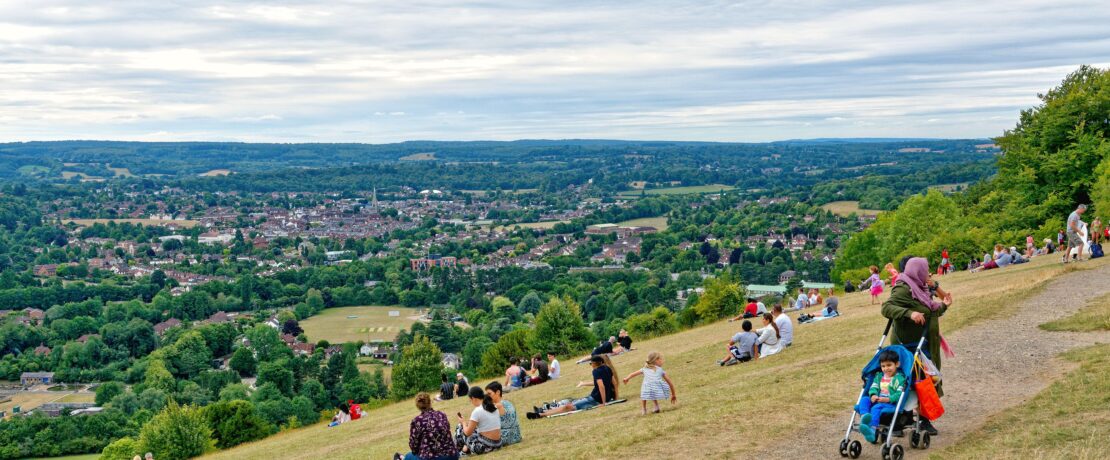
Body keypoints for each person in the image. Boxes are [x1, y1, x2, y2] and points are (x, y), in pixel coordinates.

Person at [881, 257, 952, 436]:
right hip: (908, 346)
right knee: (909, 382)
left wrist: (944, 306)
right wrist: (909, 313)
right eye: (925, 269)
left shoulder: (921, 287)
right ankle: (901, 420)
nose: (927, 273)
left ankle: (922, 419)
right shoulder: (904, 288)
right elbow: (887, 308)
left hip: (925, 344)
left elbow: (930, 311)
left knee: (924, 382)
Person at [527, 355, 616, 419]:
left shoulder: (596, 371)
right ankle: (543, 412)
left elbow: (601, 386)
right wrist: (614, 397)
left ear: (595, 363)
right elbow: (614, 383)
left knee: (568, 407)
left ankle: (541, 414)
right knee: (570, 403)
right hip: (598, 398)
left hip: (595, 399)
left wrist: (604, 403)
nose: (591, 365)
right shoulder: (608, 368)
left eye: (591, 363)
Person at [856, 350, 907, 443]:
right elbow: (873, 387)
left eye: (889, 365)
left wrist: (888, 399)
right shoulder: (879, 376)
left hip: (889, 403)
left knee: (876, 407)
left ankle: (872, 429)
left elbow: (899, 394)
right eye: (883, 366)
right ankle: (864, 418)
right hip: (877, 400)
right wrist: (873, 395)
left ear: (897, 364)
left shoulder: (899, 379)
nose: (886, 368)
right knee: (864, 399)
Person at [395, 392, 457, 460]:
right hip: (452, 456)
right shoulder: (442, 415)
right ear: (430, 402)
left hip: (432, 457)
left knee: (408, 456)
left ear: (418, 406)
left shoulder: (417, 421)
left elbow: (413, 447)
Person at [455, 386, 502, 455]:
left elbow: (467, 433)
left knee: (459, 428)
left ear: (473, 398)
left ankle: (460, 452)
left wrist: (463, 422)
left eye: (470, 400)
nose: (471, 402)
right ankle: (464, 450)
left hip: (485, 447)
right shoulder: (493, 407)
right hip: (498, 444)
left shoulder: (477, 411)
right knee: (472, 429)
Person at [483, 382, 521, 447]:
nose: (487, 396)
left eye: (489, 394)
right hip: (516, 436)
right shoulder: (508, 402)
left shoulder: (497, 406)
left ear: (498, 392)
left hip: (505, 439)